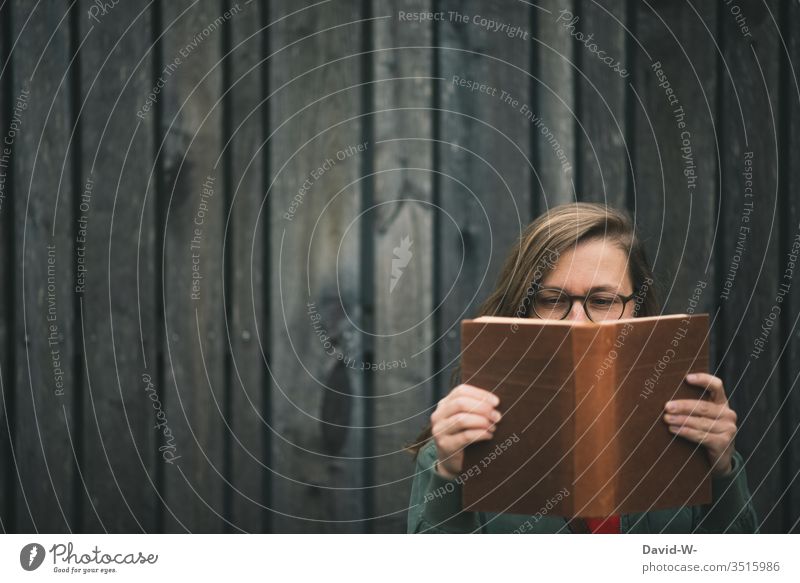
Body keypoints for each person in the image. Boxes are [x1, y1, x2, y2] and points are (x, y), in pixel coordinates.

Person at [407, 202, 758, 533]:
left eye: (603, 301)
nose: (576, 321)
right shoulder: (455, 447)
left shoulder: (693, 435)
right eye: (552, 300)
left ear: (637, 308)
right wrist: (449, 475)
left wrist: (722, 471)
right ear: (522, 309)